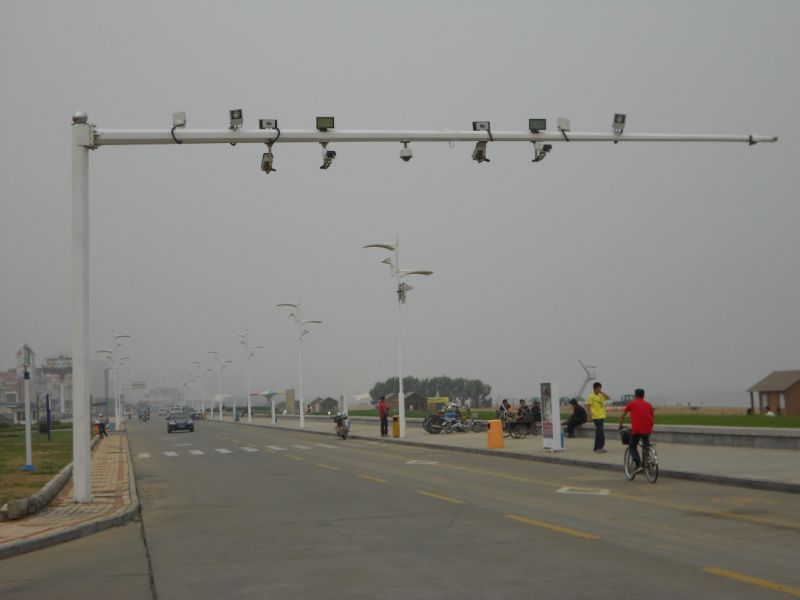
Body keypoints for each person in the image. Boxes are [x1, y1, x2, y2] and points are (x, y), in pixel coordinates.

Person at [618, 388, 654, 471]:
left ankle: (637, 463)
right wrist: (650, 428)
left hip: (637, 430)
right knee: (646, 445)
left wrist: (620, 425)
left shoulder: (631, 404)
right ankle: (647, 460)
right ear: (643, 396)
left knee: (632, 446)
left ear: (635, 395)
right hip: (647, 428)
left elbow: (623, 415)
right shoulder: (648, 405)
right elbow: (652, 418)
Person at [586, 382, 610, 453]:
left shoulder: (601, 395)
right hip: (596, 417)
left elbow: (608, 398)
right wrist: (589, 416)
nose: (599, 390)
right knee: (600, 432)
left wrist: (601, 392)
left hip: (602, 416)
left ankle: (598, 447)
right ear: (594, 388)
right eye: (598, 388)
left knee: (599, 432)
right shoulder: (591, 396)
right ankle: (598, 448)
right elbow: (588, 406)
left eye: (600, 388)